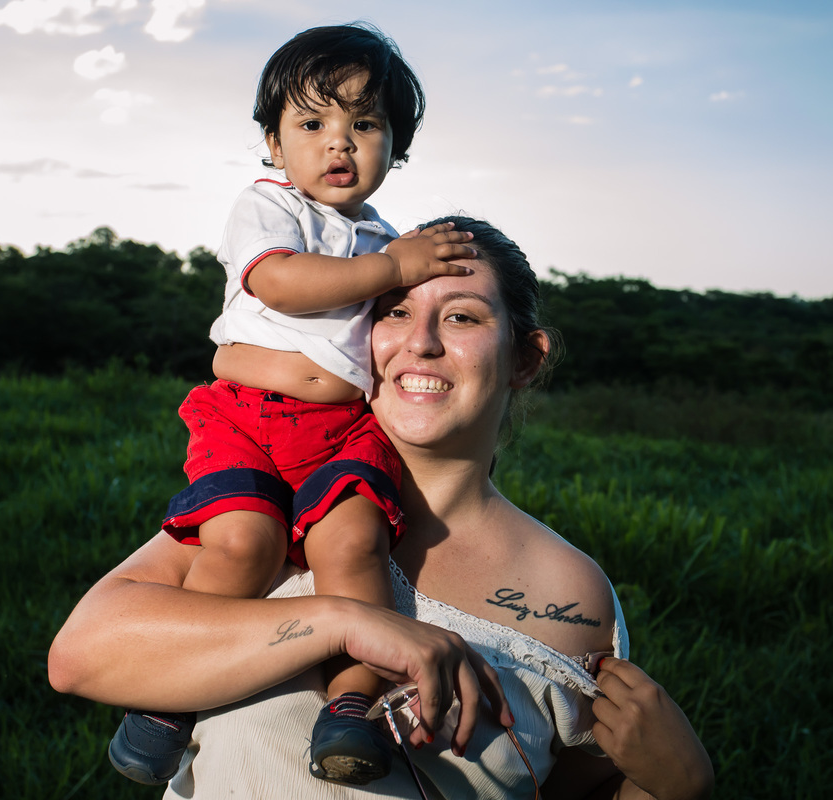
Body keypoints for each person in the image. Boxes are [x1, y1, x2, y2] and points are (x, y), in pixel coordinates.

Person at [49, 217, 714, 799]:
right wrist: (343, 623)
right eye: (393, 310)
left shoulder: (568, 593)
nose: (419, 341)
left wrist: (670, 790)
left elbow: (563, 790)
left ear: (525, 357)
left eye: (461, 316)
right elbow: (81, 656)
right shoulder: (266, 505)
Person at [104, 23, 479, 787]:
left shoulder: (380, 235)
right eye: (312, 123)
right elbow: (280, 283)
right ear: (273, 144)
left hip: (341, 427)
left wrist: (408, 270)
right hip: (248, 415)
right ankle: (170, 695)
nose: (338, 143)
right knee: (243, 543)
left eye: (365, 125)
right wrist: (390, 266)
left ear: (393, 148)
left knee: (354, 546)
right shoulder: (270, 206)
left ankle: (351, 705)